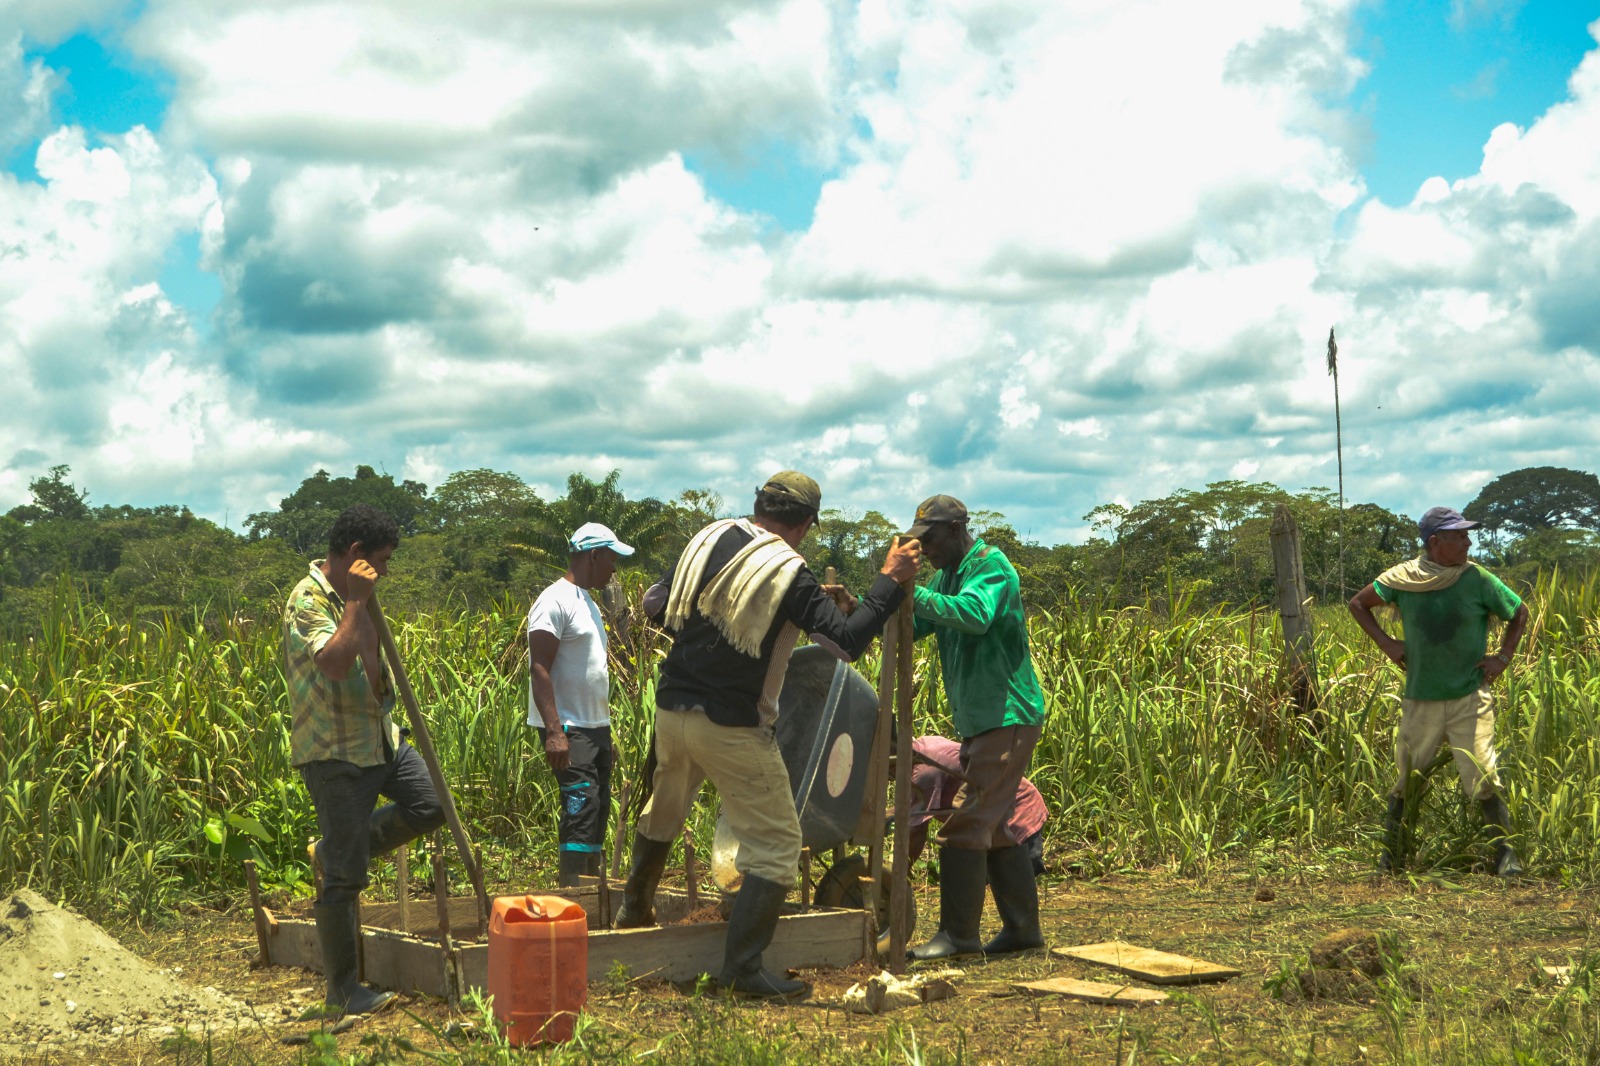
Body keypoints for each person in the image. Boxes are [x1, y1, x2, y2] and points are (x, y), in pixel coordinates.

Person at [614, 471, 922, 999]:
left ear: (757, 505)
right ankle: (742, 968)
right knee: (779, 845)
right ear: (804, 524)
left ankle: (633, 913)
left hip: (671, 710)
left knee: (664, 811)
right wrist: (889, 580)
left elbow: (655, 605)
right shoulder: (787, 572)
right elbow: (845, 643)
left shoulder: (708, 539)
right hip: (730, 726)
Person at [283, 504, 446, 1015]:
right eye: (381, 560)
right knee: (346, 878)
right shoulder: (307, 599)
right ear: (355, 556)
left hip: (380, 738)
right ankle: (343, 992)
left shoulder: (364, 594)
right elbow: (333, 663)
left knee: (431, 804)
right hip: (335, 752)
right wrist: (356, 601)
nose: (386, 570)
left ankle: (334, 851)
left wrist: (362, 598)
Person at [1348, 505, 1529, 877]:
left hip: (1469, 697)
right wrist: (1388, 645)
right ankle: (1394, 857)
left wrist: (1503, 657)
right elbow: (1358, 604)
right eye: (1458, 536)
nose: (1467, 541)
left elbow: (1519, 612)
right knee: (1408, 777)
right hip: (1422, 698)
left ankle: (1505, 855)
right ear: (1435, 542)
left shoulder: (1477, 578)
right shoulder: (1403, 579)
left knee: (1481, 772)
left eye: (1466, 535)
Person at [903, 495, 1047, 960]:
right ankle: (1023, 932)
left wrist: (914, 591)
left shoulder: (991, 566)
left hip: (1006, 715)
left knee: (966, 825)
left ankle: (958, 936)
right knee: (998, 827)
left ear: (956, 528)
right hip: (983, 720)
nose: (924, 549)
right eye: (919, 540)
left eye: (930, 539)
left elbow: (975, 615)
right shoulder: (948, 574)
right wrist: (868, 607)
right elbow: (922, 622)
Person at [527, 522, 634, 886]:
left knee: (597, 808)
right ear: (594, 555)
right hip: (569, 729)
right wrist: (555, 732)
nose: (614, 568)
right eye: (611, 559)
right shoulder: (554, 601)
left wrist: (604, 732)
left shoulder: (587, 603)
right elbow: (539, 667)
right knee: (580, 809)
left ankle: (591, 894)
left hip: (593, 729)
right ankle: (574, 896)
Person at [904, 735, 1048, 877]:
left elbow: (917, 830)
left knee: (1018, 882)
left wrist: (900, 874)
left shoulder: (924, 772)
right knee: (991, 882)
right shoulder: (925, 744)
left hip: (1018, 811)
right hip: (992, 820)